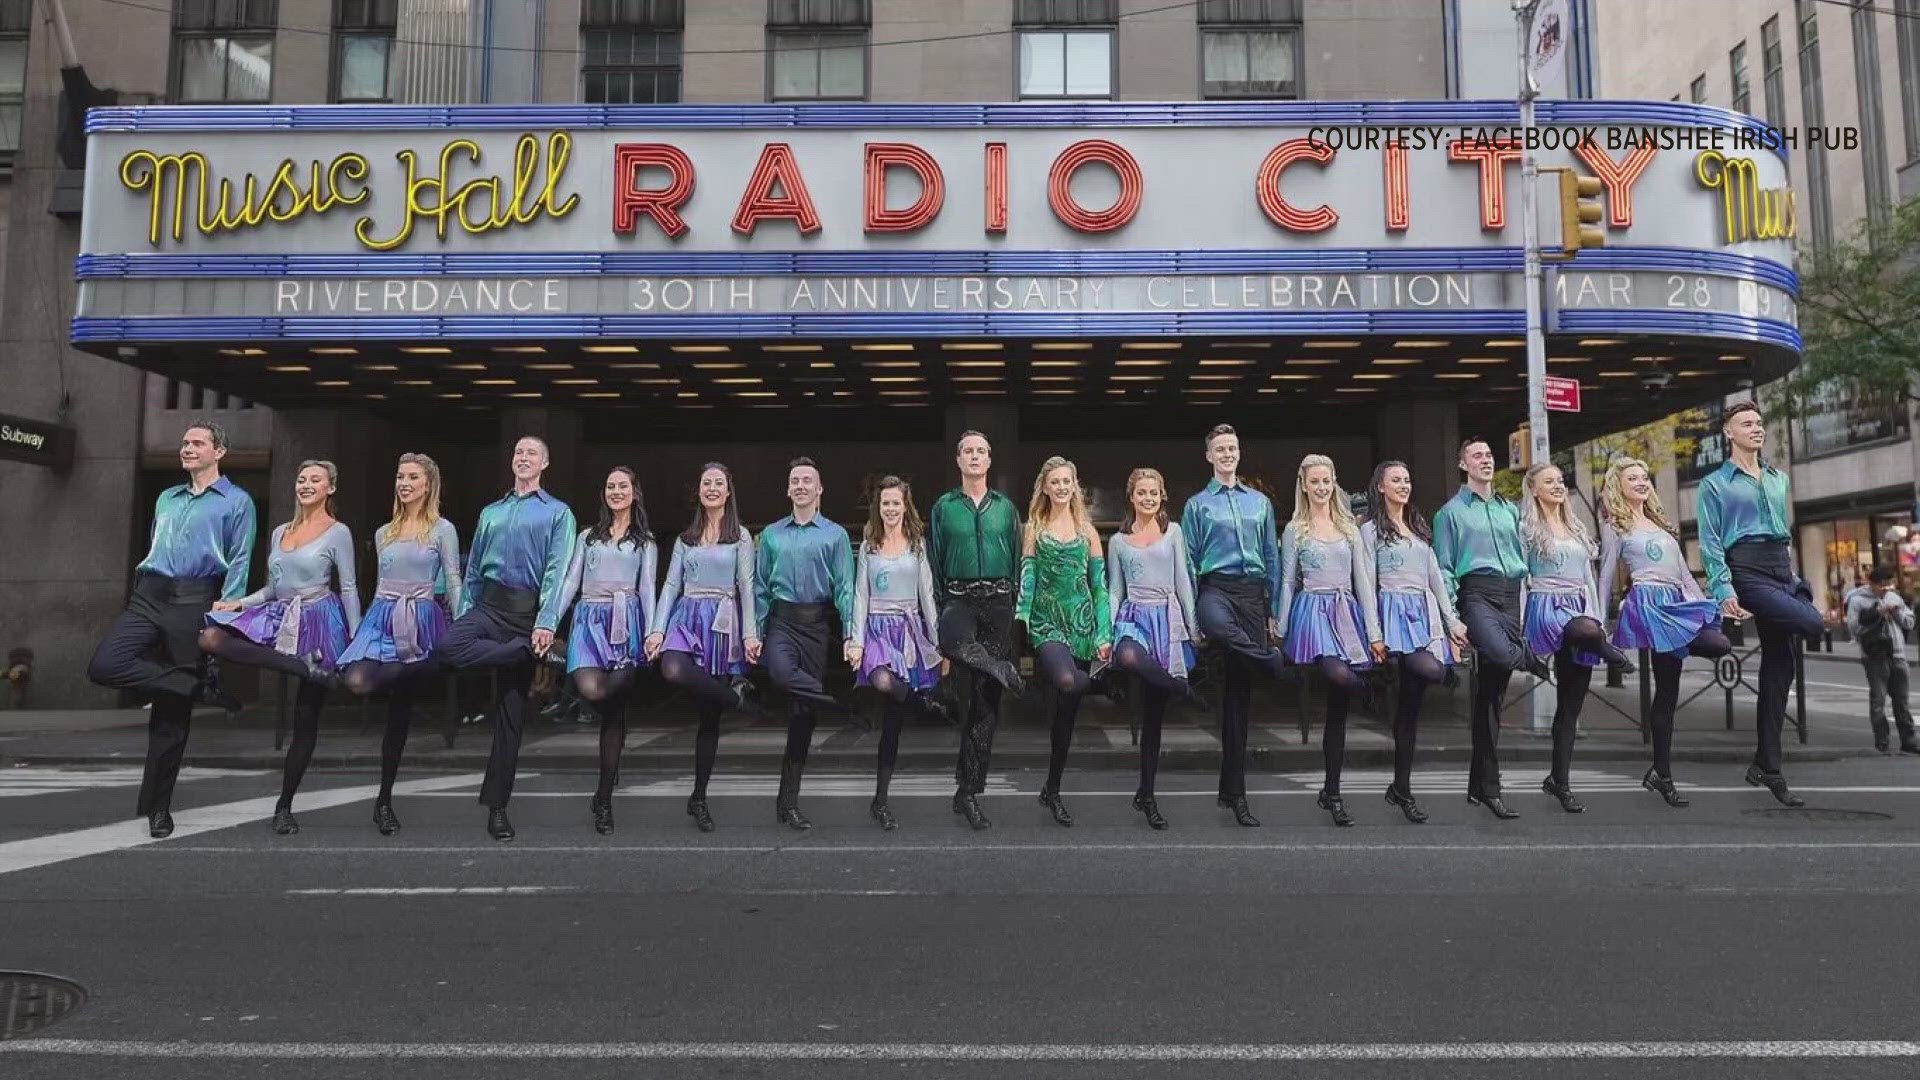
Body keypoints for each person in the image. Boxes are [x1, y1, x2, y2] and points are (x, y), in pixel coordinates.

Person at [88, 421, 256, 839]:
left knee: (170, 717)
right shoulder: (167, 497)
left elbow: (240, 559)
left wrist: (228, 606)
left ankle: (158, 808)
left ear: (219, 452)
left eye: (197, 443)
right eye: (184, 442)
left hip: (194, 599)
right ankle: (193, 686)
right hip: (148, 595)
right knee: (105, 664)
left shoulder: (236, 501)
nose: (187, 448)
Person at [199, 460, 359, 836]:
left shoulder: (338, 532)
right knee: (211, 636)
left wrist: (355, 642)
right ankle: (299, 667)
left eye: (315, 480)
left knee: (305, 718)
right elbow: (273, 588)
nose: (305, 484)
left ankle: (284, 807)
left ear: (329, 488)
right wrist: (238, 603)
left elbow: (348, 587)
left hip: (320, 619)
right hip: (279, 614)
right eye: (301, 479)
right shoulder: (279, 532)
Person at [438, 435, 577, 841]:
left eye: (531, 452)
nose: (523, 457)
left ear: (544, 463)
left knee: (510, 719)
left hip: (526, 614)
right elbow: (476, 568)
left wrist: (546, 622)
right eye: (518, 452)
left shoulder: (558, 513)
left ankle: (497, 808)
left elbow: (557, 571)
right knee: (448, 648)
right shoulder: (491, 513)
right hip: (487, 609)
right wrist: (466, 615)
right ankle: (525, 655)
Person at [1696, 402, 1825, 807]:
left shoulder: (1777, 478)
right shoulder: (1714, 484)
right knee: (1814, 624)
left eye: (1759, 423)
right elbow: (1711, 542)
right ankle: (1801, 598)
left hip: (1780, 567)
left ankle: (1767, 767)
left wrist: (1791, 578)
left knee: (1779, 672)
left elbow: (1782, 535)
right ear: (1728, 433)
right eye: (1746, 423)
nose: (1757, 428)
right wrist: (1724, 590)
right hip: (1746, 569)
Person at [339, 453, 462, 836]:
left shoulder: (443, 529)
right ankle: (417, 669)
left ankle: (384, 801)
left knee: (399, 713)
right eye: (399, 476)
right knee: (357, 680)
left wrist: (461, 628)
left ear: (428, 484)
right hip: (383, 616)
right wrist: (361, 631)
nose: (404, 482)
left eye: (412, 476)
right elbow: (376, 585)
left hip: (422, 617)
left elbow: (454, 580)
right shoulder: (383, 532)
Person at [1598, 456, 1733, 805]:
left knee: (1676, 682)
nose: (1642, 483)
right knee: (1691, 666)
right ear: (1620, 486)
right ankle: (1664, 774)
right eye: (1633, 478)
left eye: (1645, 478)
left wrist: (1706, 604)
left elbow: (1684, 574)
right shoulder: (1617, 526)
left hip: (1676, 600)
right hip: (1649, 603)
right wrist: (1600, 621)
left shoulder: (1662, 524)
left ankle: (1660, 772)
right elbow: (1606, 574)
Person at [1433, 438, 1553, 821]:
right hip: (1477, 595)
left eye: (1488, 455)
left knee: (1491, 698)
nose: (1486, 460)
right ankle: (1529, 659)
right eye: (1477, 456)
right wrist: (1451, 619)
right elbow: (1445, 569)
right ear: (1462, 464)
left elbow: (1528, 560)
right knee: (1503, 655)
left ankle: (1482, 787)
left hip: (1511, 595)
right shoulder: (1450, 513)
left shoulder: (1510, 511)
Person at [1181, 424, 1288, 828]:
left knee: (1237, 702)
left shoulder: (1259, 503)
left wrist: (1273, 608)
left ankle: (1234, 793)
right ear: (1209, 456)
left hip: (1251, 593)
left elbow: (1272, 557)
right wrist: (1193, 620)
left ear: (1238, 454)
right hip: (1215, 589)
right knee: (1222, 630)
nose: (1227, 453)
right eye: (1220, 449)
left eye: (1232, 448)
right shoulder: (1196, 506)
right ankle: (1270, 661)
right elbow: (1190, 564)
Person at [644, 462, 758, 832]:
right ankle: (737, 701)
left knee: (708, 721)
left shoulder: (740, 537)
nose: (711, 488)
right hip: (686, 617)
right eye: (706, 482)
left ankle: (699, 797)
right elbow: (670, 587)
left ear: (728, 491)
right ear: (700, 491)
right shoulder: (685, 539)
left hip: (722, 624)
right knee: (672, 668)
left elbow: (747, 588)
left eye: (718, 483)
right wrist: (658, 631)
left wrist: (750, 635)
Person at [1517, 462, 1633, 814]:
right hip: (1546, 608)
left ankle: (1559, 781)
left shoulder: (1576, 526)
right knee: (1583, 630)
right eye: (1548, 481)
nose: (1557, 485)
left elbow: (1587, 579)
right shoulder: (1525, 528)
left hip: (1581, 609)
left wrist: (1598, 623)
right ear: (1534, 489)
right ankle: (1610, 651)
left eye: (1560, 480)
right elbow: (1521, 579)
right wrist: (1522, 630)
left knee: (1571, 704)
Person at [1276, 455, 1384, 828]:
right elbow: (1288, 581)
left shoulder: (1350, 527)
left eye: (1327, 481)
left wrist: (1375, 634)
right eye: (1315, 482)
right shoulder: (1295, 529)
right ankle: (1368, 693)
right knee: (1337, 675)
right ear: (1303, 485)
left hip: (1346, 612)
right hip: (1312, 613)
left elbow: (1364, 585)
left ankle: (1332, 792)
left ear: (1333, 482)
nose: (1321, 488)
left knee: (1337, 713)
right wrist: (1283, 626)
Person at [549, 467, 658, 834]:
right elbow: (569, 583)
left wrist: (653, 632)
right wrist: (549, 622)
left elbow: (647, 590)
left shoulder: (645, 543)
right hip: (588, 622)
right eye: (610, 485)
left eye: (622, 486)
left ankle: (603, 800)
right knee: (593, 689)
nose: (616, 491)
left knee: (613, 712)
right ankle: (618, 709)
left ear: (635, 493)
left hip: (626, 623)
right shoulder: (587, 538)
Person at [927, 431, 1025, 830]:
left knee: (984, 706)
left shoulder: (1006, 509)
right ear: (958, 460)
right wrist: (937, 606)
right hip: (958, 598)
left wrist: (1011, 603)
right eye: (968, 451)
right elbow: (933, 559)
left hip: (998, 601)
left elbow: (1018, 558)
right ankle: (1001, 667)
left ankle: (967, 791)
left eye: (981, 451)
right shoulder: (943, 507)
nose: (974, 456)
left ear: (989, 460)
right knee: (954, 642)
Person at [1360, 461, 1467, 824]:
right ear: (1380, 487)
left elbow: (1435, 578)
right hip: (1391, 615)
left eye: (1407, 479)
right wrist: (1374, 633)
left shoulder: (1419, 527)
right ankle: (1376, 692)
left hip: (1423, 616)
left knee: (1410, 710)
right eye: (1396, 480)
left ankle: (1401, 788)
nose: (1404, 485)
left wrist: (1452, 622)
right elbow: (1366, 583)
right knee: (1431, 672)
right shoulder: (1370, 530)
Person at [753, 457, 856, 831]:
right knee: (781, 674)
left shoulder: (836, 535)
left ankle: (788, 802)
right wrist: (755, 632)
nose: (800, 486)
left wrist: (851, 634)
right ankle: (838, 705)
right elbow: (760, 587)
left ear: (819, 489)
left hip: (817, 624)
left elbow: (845, 588)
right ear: (788, 489)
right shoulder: (772, 535)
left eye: (807, 480)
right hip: (782, 620)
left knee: (802, 717)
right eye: (794, 480)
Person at [1016, 456, 1112, 828]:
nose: (1060, 487)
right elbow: (1028, 574)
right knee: (1068, 681)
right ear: (1044, 486)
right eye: (1054, 481)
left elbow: (1099, 588)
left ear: (1075, 485)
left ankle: (1052, 789)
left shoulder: (1087, 530)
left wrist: (1104, 633)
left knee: (1066, 714)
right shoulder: (1034, 527)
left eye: (1066, 481)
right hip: (1047, 623)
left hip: (1083, 625)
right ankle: (1105, 682)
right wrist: (1022, 616)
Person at [848, 476, 944, 831]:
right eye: (885, 503)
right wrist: (856, 641)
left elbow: (927, 596)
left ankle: (881, 800)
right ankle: (923, 703)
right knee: (883, 681)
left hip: (908, 631)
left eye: (896, 503)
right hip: (876, 629)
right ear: (879, 507)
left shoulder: (917, 544)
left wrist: (937, 644)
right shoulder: (868, 546)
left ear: (906, 506)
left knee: (892, 723)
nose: (890, 509)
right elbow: (860, 596)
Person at [1108, 467, 1200, 830]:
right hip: (1133, 617)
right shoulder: (1117, 541)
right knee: (1130, 656)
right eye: (1141, 492)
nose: (1148, 498)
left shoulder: (1173, 532)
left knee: (1153, 717)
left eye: (1154, 492)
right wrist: (1107, 632)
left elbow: (1183, 583)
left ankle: (1146, 793)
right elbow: (1115, 589)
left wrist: (1193, 629)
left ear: (1162, 496)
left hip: (1168, 618)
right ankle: (1184, 690)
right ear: (1131, 497)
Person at [1845, 566, 1916, 755]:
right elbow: (1854, 629)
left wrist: (1896, 612)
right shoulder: (1857, 600)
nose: (1886, 589)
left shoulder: (1894, 597)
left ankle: (1908, 740)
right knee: (1878, 701)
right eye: (1882, 585)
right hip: (1874, 656)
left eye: (1888, 584)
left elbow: (1910, 623)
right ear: (1872, 584)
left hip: (1898, 654)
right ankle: (1882, 741)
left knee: (1901, 701)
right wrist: (1877, 613)